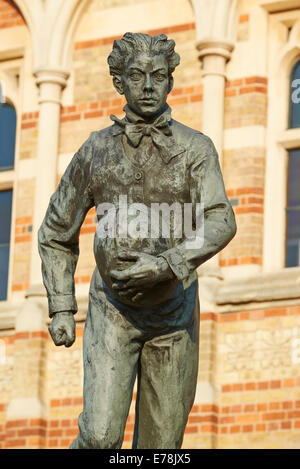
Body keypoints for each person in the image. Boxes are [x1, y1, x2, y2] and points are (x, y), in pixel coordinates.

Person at [38, 32, 236, 449]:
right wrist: (60, 306)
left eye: (158, 76)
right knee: (98, 437)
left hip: (173, 313)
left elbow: (221, 219)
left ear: (170, 81)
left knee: (161, 450)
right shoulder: (95, 151)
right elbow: (57, 231)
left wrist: (168, 263)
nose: (148, 87)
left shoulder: (195, 149)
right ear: (119, 82)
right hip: (112, 309)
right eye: (136, 76)